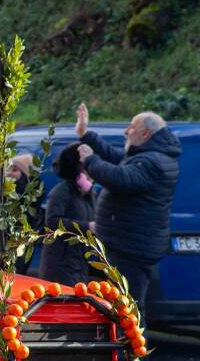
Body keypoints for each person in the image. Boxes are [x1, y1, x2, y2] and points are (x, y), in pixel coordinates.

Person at [75, 104, 181, 322]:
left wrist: (90, 160)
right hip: (130, 244)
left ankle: (131, 355)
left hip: (131, 249)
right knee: (123, 304)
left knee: (127, 307)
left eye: (131, 127)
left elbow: (120, 178)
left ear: (144, 133)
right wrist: (86, 135)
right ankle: (129, 352)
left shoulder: (151, 162)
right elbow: (117, 158)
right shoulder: (151, 156)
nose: (126, 131)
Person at [39, 143, 96, 286]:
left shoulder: (88, 194)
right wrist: (87, 226)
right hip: (61, 263)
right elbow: (52, 221)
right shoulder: (62, 191)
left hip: (79, 262)